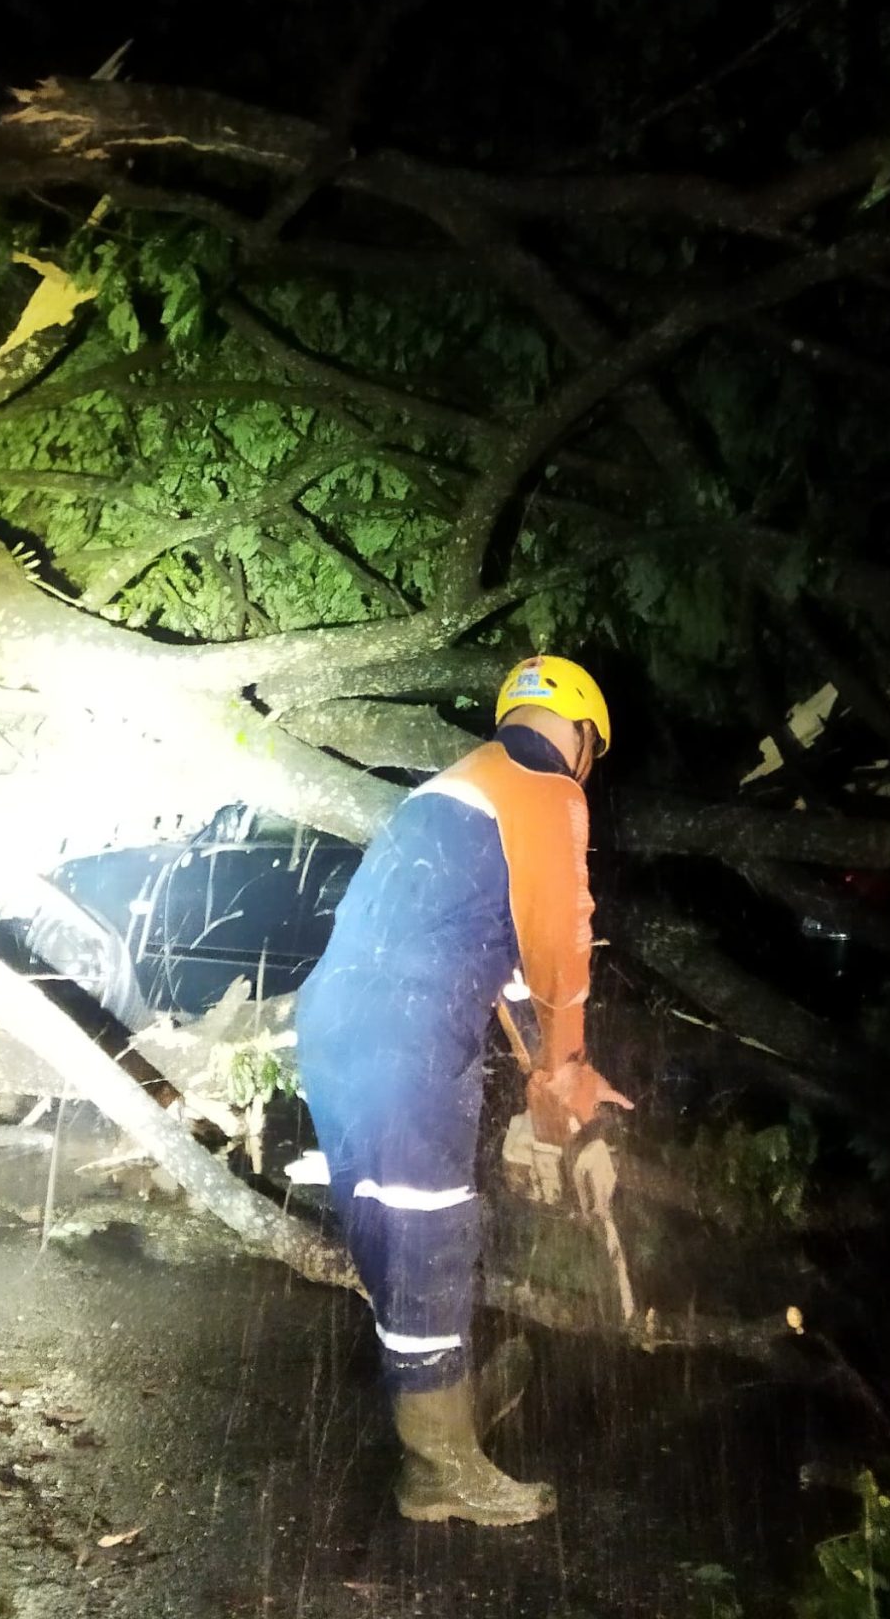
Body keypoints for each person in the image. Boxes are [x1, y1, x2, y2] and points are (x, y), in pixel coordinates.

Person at [292, 654, 633, 1526]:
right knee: (432, 1229)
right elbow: (560, 947)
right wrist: (568, 1072)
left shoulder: (454, 787)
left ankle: (436, 1394)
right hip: (406, 1030)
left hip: (339, 1021)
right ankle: (437, 1466)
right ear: (585, 733)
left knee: (392, 1224)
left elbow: (507, 963)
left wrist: (541, 1091)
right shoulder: (546, 787)